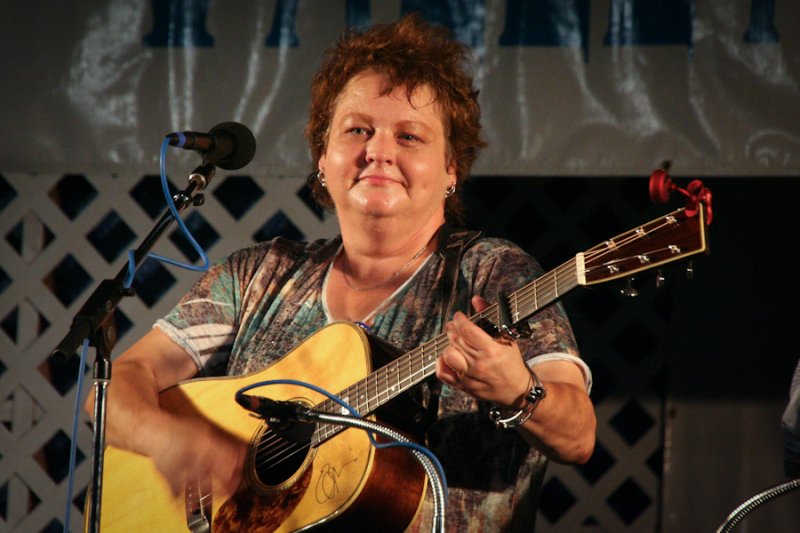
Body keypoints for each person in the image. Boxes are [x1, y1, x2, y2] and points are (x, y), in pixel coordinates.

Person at [88, 14, 596, 532]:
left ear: (451, 169)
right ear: (322, 157)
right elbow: (115, 386)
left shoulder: (494, 273)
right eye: (357, 130)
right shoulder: (260, 274)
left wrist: (520, 391)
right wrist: (167, 440)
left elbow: (578, 438)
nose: (379, 151)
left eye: (410, 136)